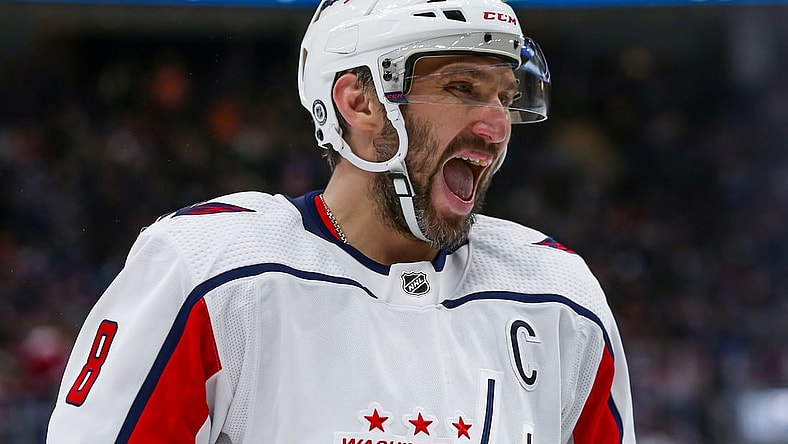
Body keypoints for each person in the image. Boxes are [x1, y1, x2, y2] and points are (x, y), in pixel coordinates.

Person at [47, 0, 636, 442]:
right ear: (358, 101)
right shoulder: (213, 274)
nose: (495, 126)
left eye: (505, 97)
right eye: (461, 87)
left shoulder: (559, 297)